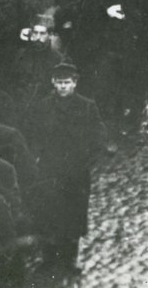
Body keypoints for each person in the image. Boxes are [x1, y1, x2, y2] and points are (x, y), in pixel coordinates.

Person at [24, 61, 105, 275]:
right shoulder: (42, 106)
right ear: (53, 82)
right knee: (47, 214)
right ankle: (49, 258)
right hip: (49, 170)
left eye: (67, 83)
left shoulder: (87, 106)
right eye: (59, 83)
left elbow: (98, 138)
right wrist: (37, 158)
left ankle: (70, 260)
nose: (62, 87)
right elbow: (32, 135)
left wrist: (87, 162)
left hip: (76, 173)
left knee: (74, 216)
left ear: (75, 83)